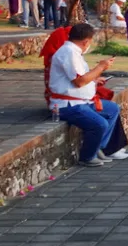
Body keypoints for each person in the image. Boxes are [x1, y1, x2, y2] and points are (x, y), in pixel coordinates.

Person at [49, 23, 120, 167]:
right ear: (86, 41)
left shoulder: (74, 52)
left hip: (83, 101)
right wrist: (100, 67)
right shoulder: (68, 52)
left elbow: (82, 77)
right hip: (67, 105)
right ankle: (87, 157)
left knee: (112, 109)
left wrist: (94, 80)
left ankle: (98, 147)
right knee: (99, 124)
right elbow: (79, 81)